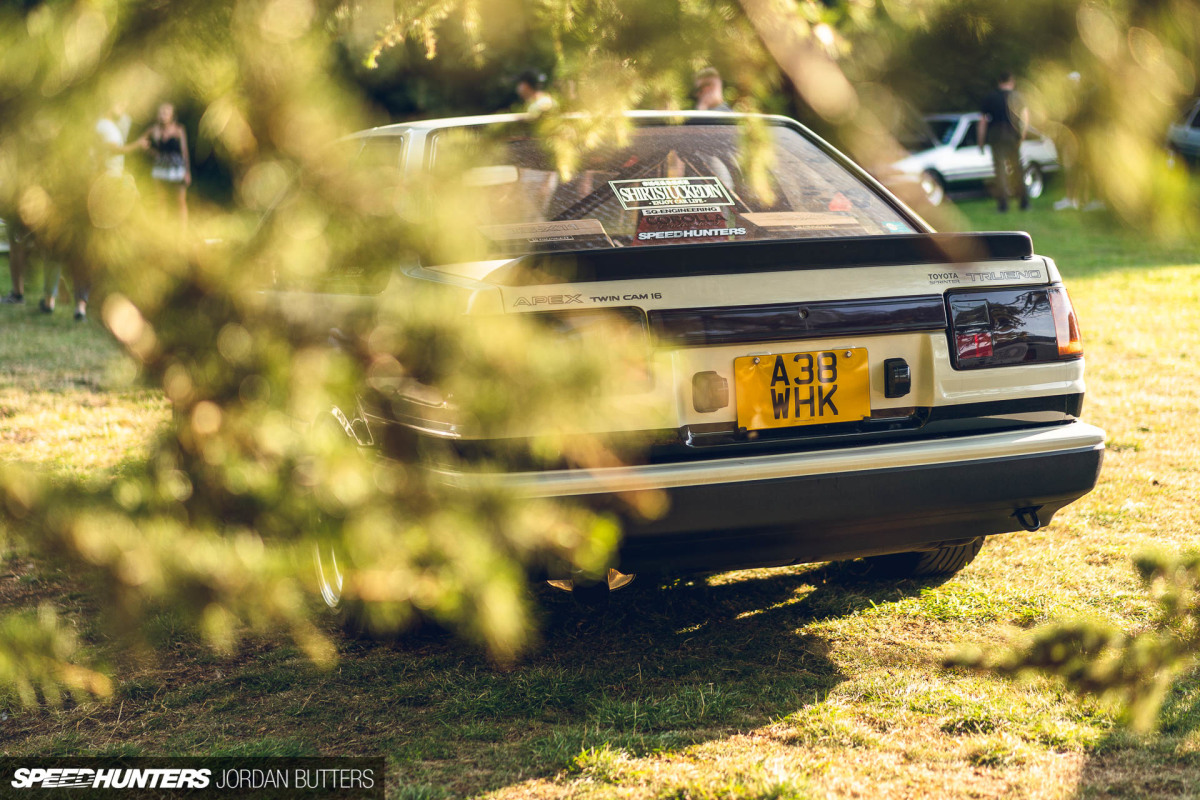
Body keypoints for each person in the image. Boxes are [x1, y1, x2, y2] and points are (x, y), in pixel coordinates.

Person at [978, 72, 1029, 212]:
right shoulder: (1017, 97)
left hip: (996, 135)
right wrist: (1022, 136)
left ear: (999, 81)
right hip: (1012, 134)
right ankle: (1024, 202)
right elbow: (1025, 117)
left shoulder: (991, 97)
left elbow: (982, 121)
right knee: (1017, 168)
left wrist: (980, 142)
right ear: (1011, 81)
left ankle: (1003, 204)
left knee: (1000, 170)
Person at [136, 102, 191, 228]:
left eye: (166, 112)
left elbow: (184, 151)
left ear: (172, 115)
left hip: (177, 169)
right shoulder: (154, 130)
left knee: (180, 201)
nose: (163, 115)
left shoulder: (179, 129)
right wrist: (151, 152)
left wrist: (187, 171)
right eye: (161, 112)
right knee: (161, 201)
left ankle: (183, 233)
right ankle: (162, 230)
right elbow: (141, 142)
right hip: (160, 168)